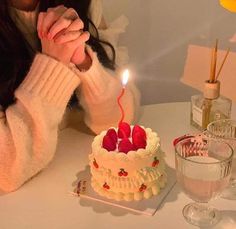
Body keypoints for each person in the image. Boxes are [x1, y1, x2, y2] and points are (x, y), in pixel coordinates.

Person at [0, 0, 140, 193]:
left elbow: (117, 122)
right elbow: (6, 169)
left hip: (79, 180)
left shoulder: (84, 6)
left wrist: (82, 60)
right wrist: (54, 64)